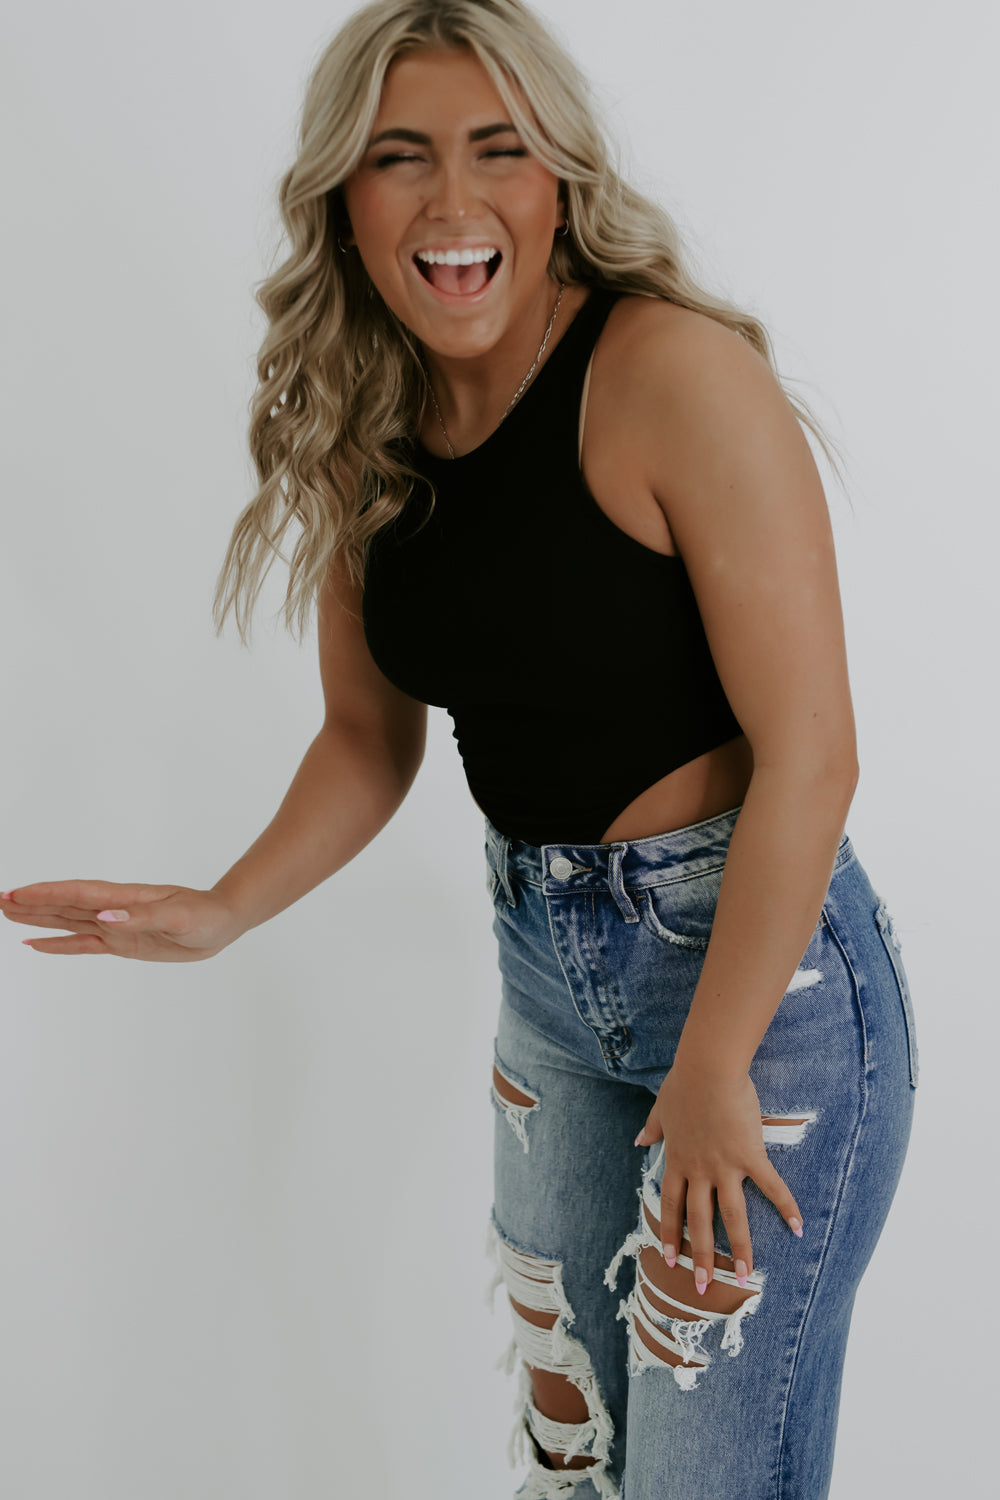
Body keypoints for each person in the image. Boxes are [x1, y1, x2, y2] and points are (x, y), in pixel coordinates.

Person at [0, 2, 918, 1496]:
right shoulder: (368, 421)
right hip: (549, 989)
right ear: (342, 200)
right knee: (576, 1463)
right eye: (399, 157)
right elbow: (368, 738)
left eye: (498, 150)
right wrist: (224, 908)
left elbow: (813, 756)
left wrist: (712, 1062)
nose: (451, 200)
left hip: (761, 995)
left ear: (559, 181)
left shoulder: (671, 374)